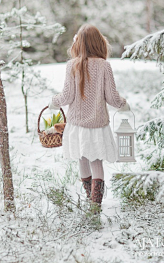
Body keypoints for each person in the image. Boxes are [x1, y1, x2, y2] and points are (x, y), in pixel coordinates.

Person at [48, 24, 130, 211]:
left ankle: (89, 199)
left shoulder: (72, 65)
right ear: (99, 43)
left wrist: (54, 102)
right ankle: (95, 204)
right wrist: (123, 105)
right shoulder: (104, 66)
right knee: (96, 162)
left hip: (77, 125)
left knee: (82, 160)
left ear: (80, 44)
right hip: (98, 125)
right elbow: (112, 97)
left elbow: (66, 96)